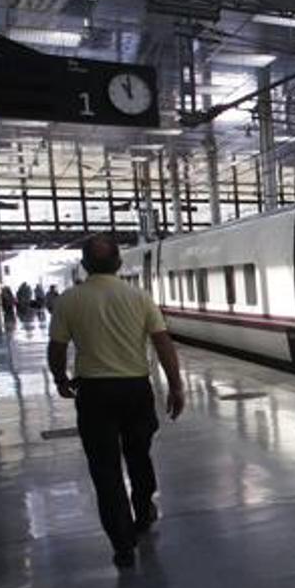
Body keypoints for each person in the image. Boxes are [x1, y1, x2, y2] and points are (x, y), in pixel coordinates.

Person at [47, 235, 185, 569]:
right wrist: (176, 386)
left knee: (105, 469)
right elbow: (163, 343)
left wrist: (60, 378)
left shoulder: (68, 300)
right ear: (119, 263)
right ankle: (143, 511)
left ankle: (122, 544)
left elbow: (57, 348)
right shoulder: (139, 297)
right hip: (135, 390)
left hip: (95, 394)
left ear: (84, 265)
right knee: (138, 454)